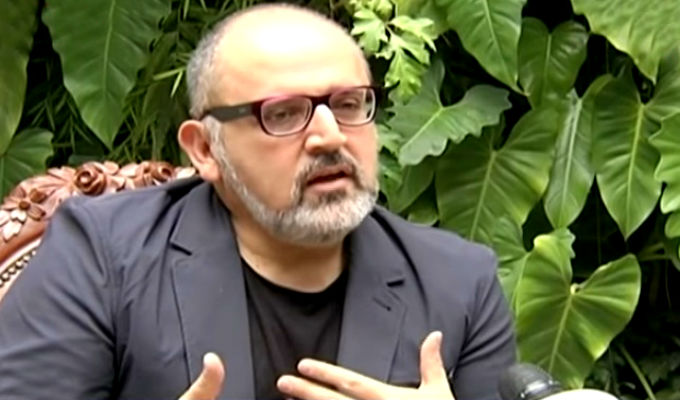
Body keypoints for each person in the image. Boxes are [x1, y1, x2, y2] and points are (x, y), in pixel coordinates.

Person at [0, 3, 515, 400]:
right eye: (284, 113)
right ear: (205, 149)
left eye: (348, 104)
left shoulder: (459, 282)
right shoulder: (101, 257)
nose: (330, 136)